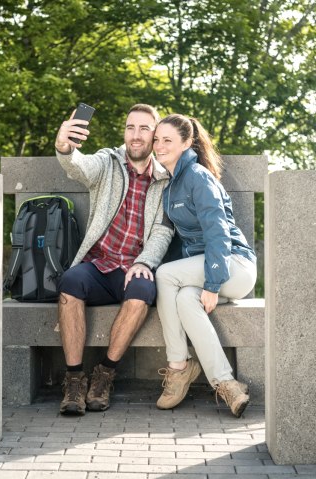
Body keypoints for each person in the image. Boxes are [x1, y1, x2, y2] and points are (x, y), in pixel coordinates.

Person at [54, 104, 173, 415]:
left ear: (155, 134)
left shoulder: (164, 179)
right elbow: (79, 167)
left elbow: (162, 231)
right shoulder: (108, 161)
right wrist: (64, 146)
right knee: (69, 283)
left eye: (144, 128)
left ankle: (104, 375)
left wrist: (145, 262)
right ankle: (75, 379)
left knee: (142, 292)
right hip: (99, 264)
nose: (135, 135)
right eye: (130, 127)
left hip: (132, 268)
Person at [153, 114, 257, 417]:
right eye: (157, 139)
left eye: (167, 140)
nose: (159, 145)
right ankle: (227, 385)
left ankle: (178, 366)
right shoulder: (171, 186)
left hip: (234, 267)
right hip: (208, 269)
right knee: (186, 299)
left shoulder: (197, 176)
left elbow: (218, 233)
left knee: (165, 275)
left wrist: (212, 284)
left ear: (187, 143)